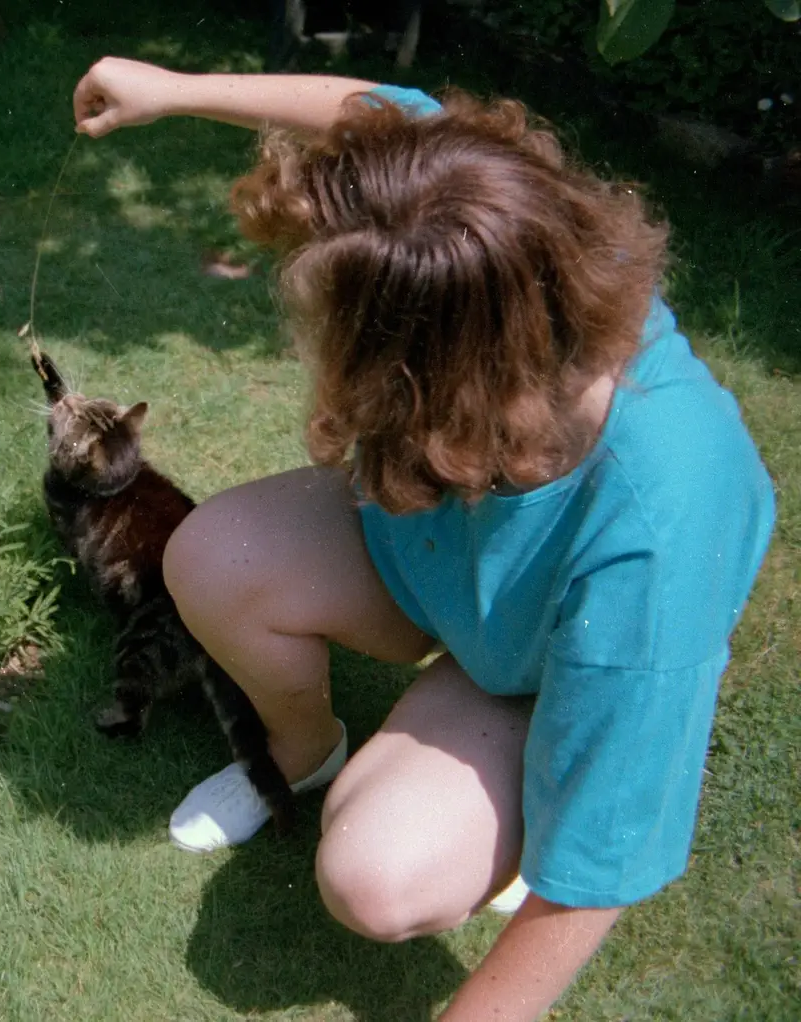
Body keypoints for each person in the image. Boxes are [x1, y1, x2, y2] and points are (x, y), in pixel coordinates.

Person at [70, 57, 776, 1020]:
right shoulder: (482, 225)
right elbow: (367, 110)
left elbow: (609, 851)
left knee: (375, 876)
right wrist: (175, 90)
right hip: (433, 545)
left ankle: (509, 784)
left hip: (542, 661)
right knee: (209, 556)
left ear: (436, 367)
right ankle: (303, 754)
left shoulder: (663, 530)